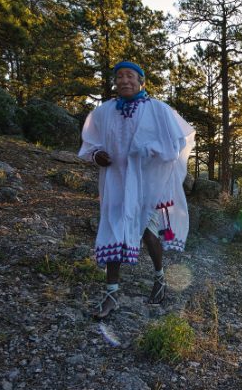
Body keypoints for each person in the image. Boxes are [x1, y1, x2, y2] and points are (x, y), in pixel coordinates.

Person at [78, 60, 195, 319]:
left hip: (150, 183)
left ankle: (159, 278)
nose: (124, 80)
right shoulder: (104, 112)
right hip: (116, 182)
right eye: (119, 76)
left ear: (141, 81)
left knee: (148, 233)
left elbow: (176, 142)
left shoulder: (158, 110)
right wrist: (96, 154)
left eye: (130, 75)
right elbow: (90, 142)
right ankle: (111, 294)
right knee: (113, 228)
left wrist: (150, 149)